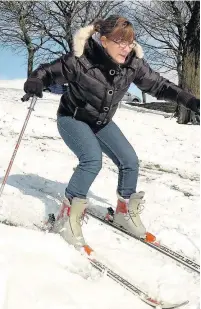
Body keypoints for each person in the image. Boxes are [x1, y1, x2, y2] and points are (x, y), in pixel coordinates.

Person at [23, 15, 200, 252]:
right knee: (91, 160)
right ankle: (68, 216)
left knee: (129, 161)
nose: (126, 48)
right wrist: (35, 80)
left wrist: (190, 100)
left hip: (101, 122)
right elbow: (47, 72)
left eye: (130, 42)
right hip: (72, 118)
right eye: (120, 41)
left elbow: (159, 85)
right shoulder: (80, 60)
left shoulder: (133, 63)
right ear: (103, 40)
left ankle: (124, 213)